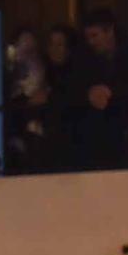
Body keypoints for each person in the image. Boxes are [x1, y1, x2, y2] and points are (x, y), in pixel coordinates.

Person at [68, 9, 128, 170]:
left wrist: (111, 92)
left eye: (95, 36)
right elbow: (72, 89)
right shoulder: (83, 56)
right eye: (88, 37)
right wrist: (88, 94)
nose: (91, 41)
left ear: (110, 31)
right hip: (94, 139)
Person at [4, 25, 53, 173]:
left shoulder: (46, 68)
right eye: (23, 45)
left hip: (44, 135)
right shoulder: (10, 75)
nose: (28, 49)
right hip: (20, 140)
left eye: (31, 47)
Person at [39, 24, 80, 167]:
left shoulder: (76, 75)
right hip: (46, 151)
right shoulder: (43, 74)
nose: (54, 49)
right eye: (51, 44)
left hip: (72, 148)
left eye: (59, 44)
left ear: (68, 49)